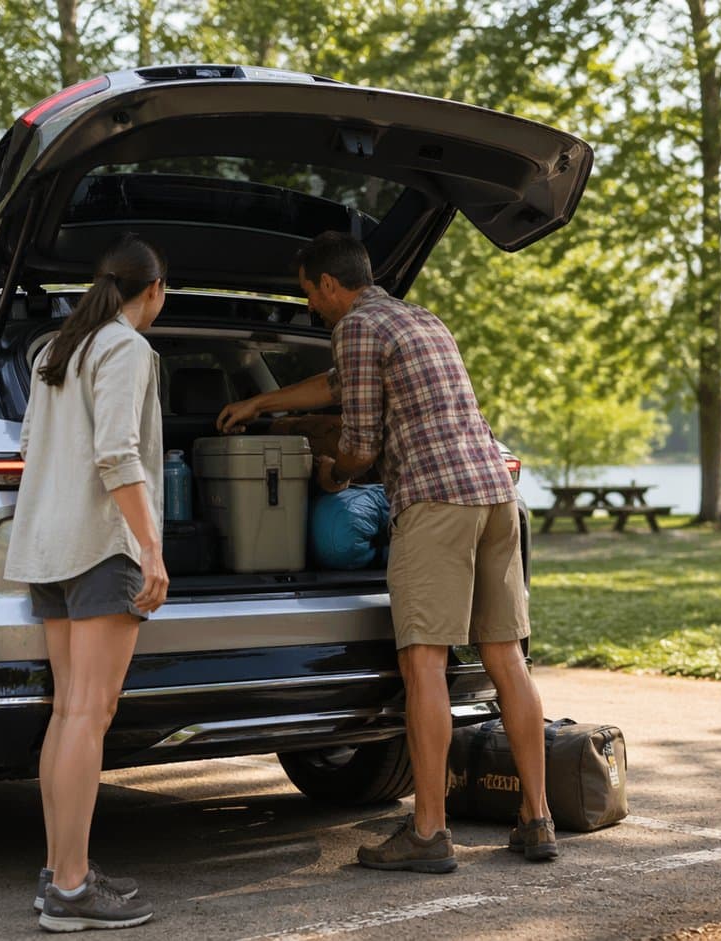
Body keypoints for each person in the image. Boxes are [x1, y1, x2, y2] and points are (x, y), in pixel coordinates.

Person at [216, 232, 556, 873]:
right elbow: (337, 384)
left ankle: (429, 833)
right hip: (494, 493)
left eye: (309, 295)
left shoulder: (356, 327)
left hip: (434, 501)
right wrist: (263, 402)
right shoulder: (417, 318)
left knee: (423, 664)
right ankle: (537, 819)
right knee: (507, 657)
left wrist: (332, 475)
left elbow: (361, 444)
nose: (310, 308)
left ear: (328, 285)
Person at [6, 235, 170, 931]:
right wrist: (152, 547)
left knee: (68, 709)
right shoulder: (125, 348)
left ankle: (61, 871)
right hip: (102, 547)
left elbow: (26, 449)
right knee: (87, 714)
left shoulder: (53, 350)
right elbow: (115, 452)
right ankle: (71, 887)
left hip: (46, 548)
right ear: (154, 291)